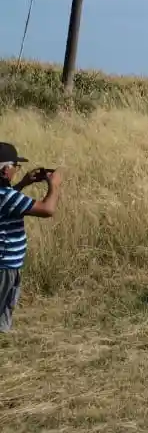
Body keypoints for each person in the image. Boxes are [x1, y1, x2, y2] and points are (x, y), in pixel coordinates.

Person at [0, 142, 61, 334]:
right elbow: (47, 209)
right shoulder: (6, 196)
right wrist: (55, 185)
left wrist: (23, 184)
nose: (17, 170)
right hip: (5, 267)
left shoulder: (6, 195)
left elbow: (7, 202)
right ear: (5, 169)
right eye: (15, 167)